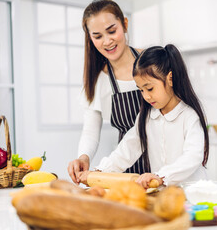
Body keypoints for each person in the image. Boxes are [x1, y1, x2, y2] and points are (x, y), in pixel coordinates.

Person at [79, 44, 209, 188]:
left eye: (150, 88)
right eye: (141, 90)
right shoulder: (146, 117)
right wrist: (100, 172)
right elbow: (128, 148)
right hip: (163, 195)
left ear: (170, 78)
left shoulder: (189, 116)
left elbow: (193, 156)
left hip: (193, 195)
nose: (146, 96)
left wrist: (161, 176)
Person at [68, 0, 148, 184]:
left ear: (125, 24)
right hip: (127, 169)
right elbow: (90, 130)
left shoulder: (153, 62)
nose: (107, 41)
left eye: (112, 31)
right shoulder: (98, 80)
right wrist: (84, 157)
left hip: (166, 162)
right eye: (97, 36)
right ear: (90, 38)